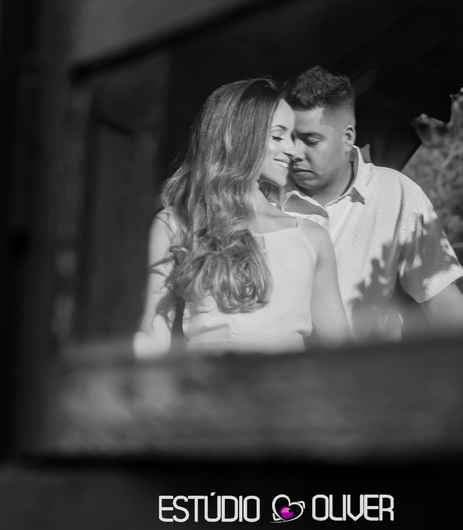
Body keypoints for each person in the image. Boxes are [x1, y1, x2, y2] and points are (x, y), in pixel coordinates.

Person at [134, 78, 351, 358]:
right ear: (240, 136)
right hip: (208, 383)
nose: (294, 150)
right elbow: (153, 337)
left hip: (292, 384)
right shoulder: (177, 224)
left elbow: (341, 350)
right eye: (278, 136)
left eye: (294, 137)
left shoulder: (312, 237)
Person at [280, 66, 463, 341]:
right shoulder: (262, 196)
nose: (294, 152)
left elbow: (440, 296)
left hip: (371, 365)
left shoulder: (396, 193)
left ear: (347, 138)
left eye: (310, 140)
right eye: (287, 138)